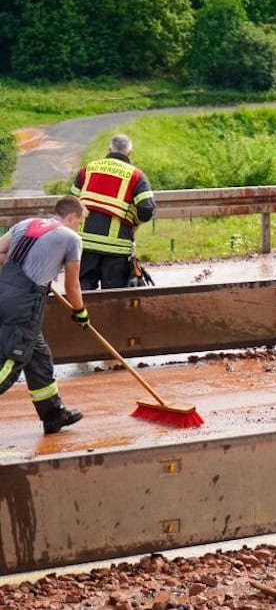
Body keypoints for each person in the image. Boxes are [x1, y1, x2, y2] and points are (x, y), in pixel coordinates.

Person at [0, 196, 89, 435]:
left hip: (4, 290)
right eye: (79, 222)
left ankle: (53, 414)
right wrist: (80, 312)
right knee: (11, 361)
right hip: (25, 304)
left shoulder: (26, 224)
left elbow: (0, 252)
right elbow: (72, 286)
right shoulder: (71, 238)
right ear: (72, 217)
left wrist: (21, 268)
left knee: (38, 355)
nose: (78, 227)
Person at [71, 133, 156, 289]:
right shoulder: (136, 176)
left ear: (109, 150)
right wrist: (134, 221)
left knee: (83, 292)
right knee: (114, 296)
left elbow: (71, 204)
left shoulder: (87, 170)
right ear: (129, 153)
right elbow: (147, 209)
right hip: (117, 248)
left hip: (85, 245)